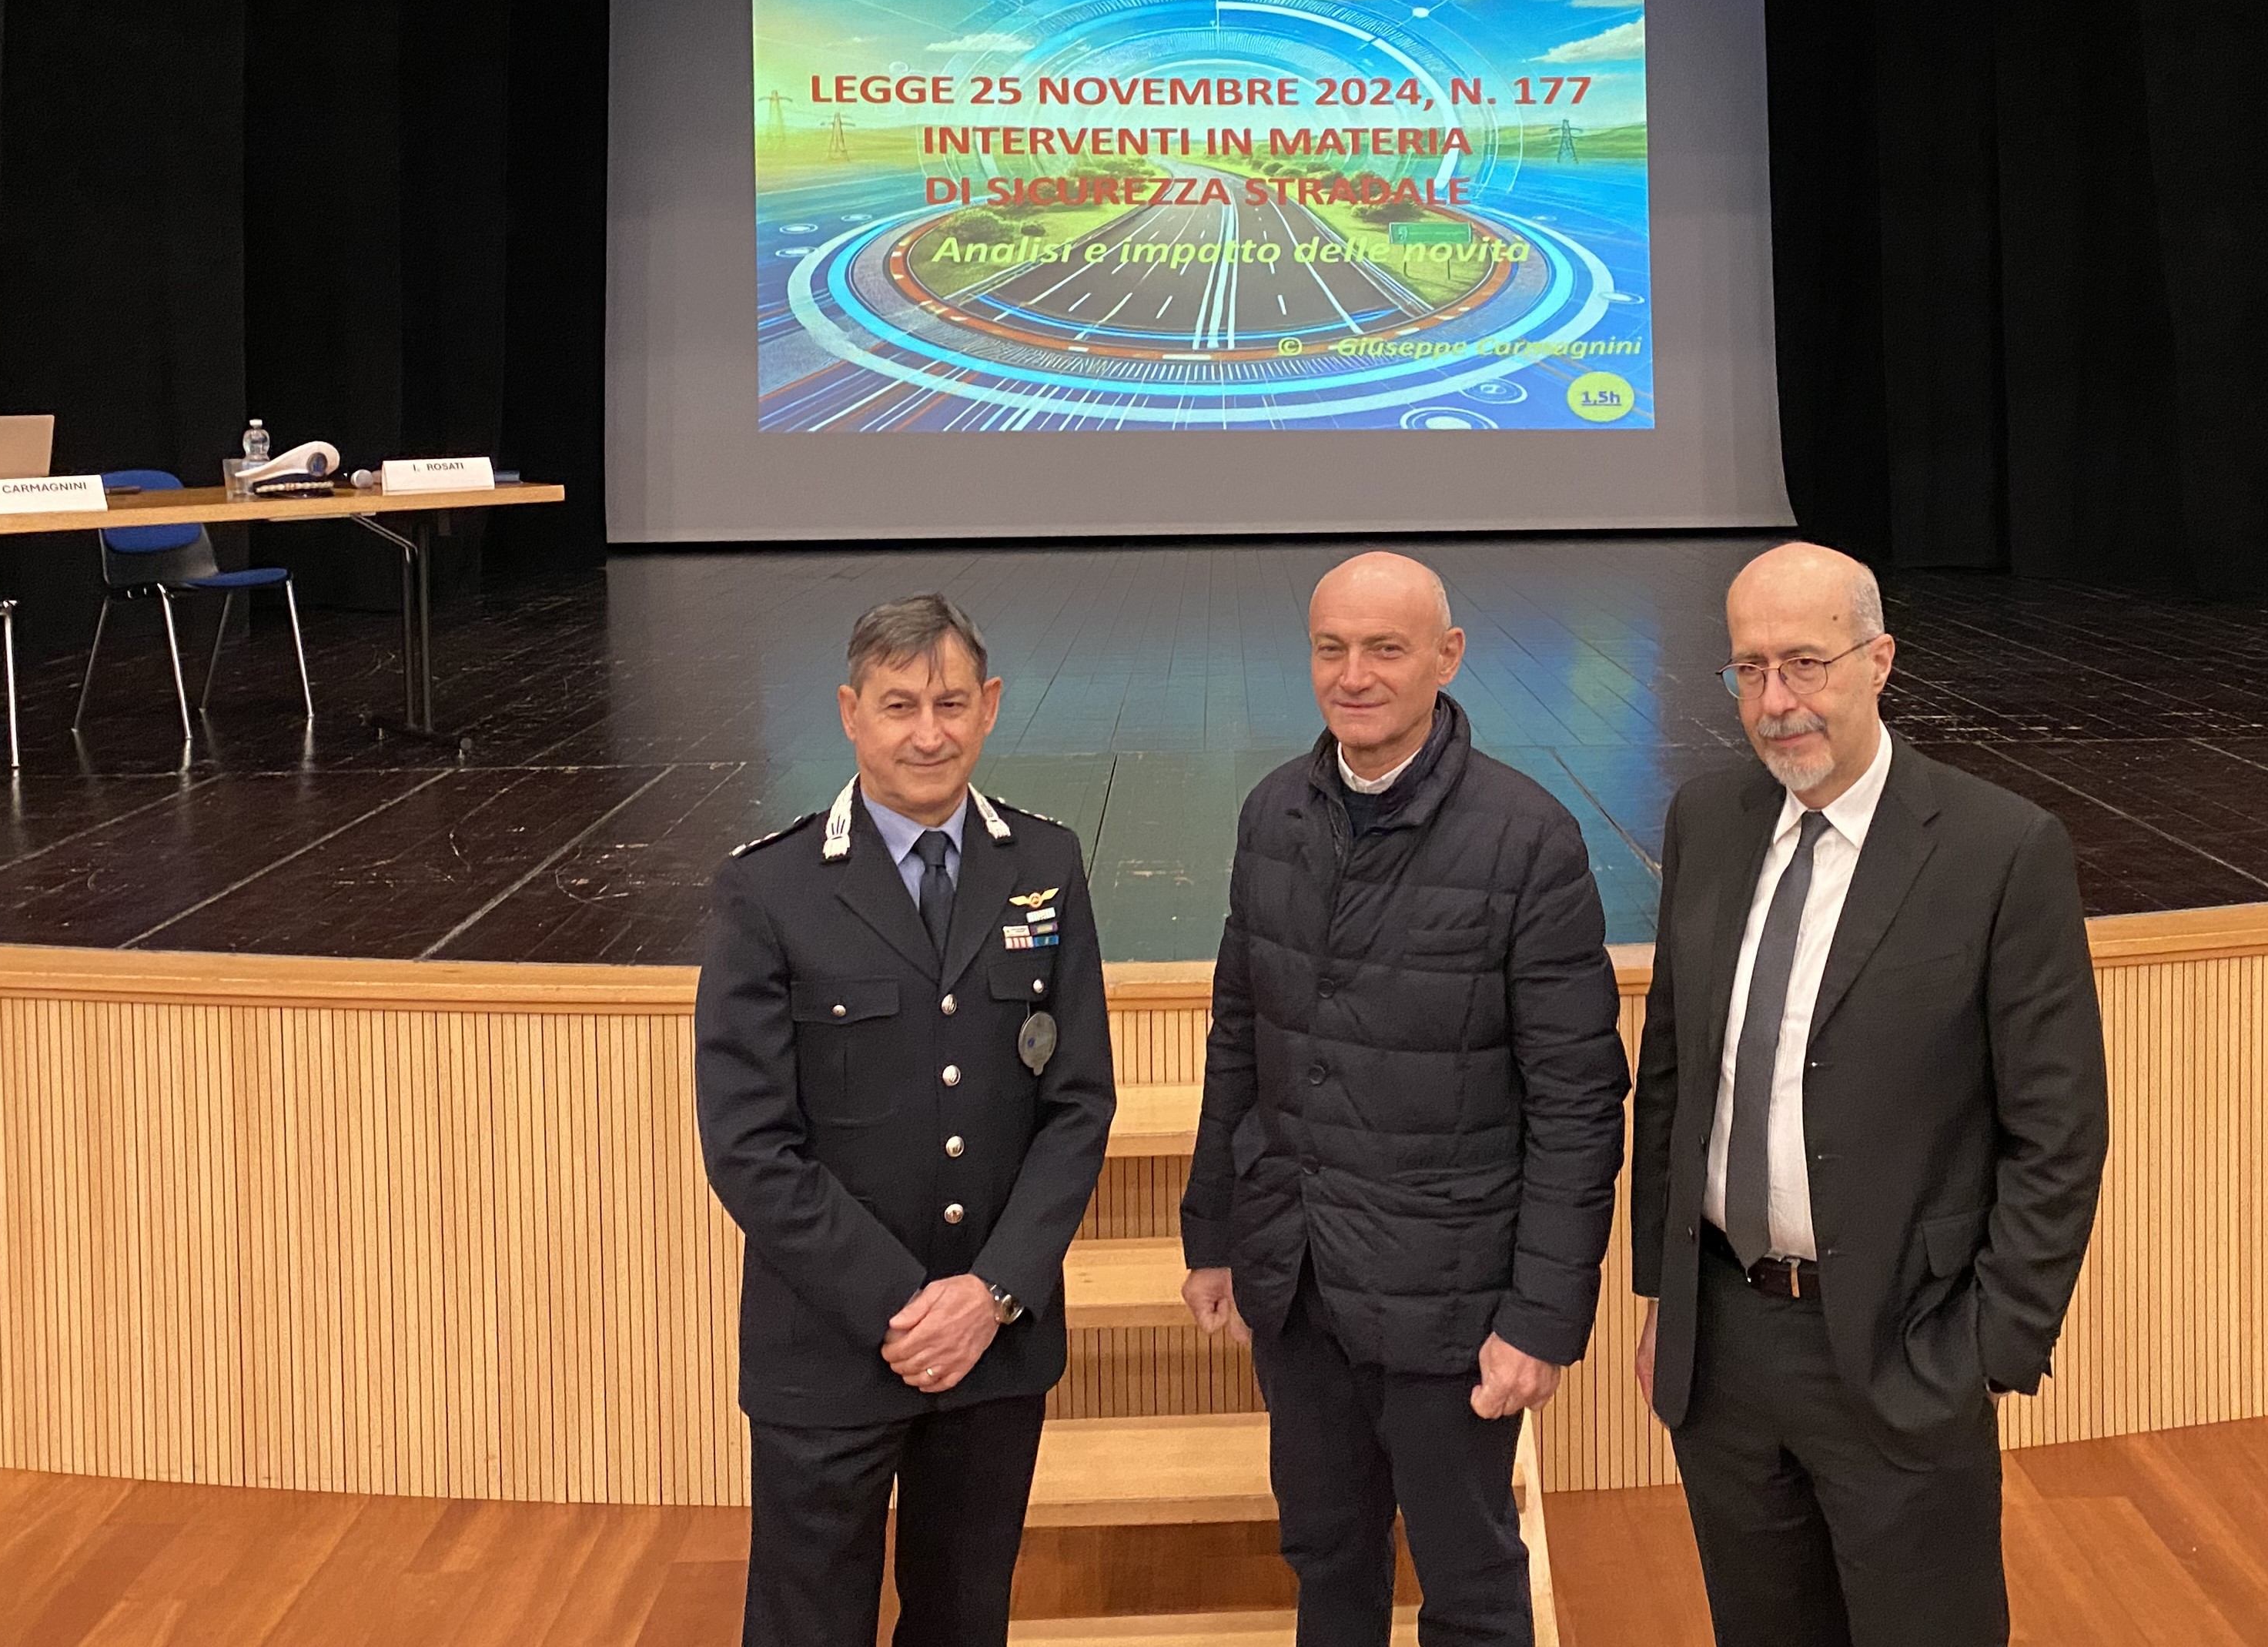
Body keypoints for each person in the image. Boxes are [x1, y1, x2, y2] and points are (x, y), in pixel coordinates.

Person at [1628, 542, 2108, 1646]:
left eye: (1805, 663)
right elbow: (1674, 1073)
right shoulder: (1706, 820)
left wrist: (1984, 1347)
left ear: (1881, 660)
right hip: (1726, 1351)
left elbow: (2060, 1130)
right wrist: (1668, 1292)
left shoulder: (2000, 849)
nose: (1776, 702)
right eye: (1748, 670)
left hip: (1904, 1351)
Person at [1179, 551, 1631, 1647]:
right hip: (1300, 1281)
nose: (1355, 674)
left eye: (1386, 648)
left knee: (1470, 1590)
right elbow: (1240, 1034)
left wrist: (1541, 1319)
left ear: (1447, 656)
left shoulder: (1529, 839)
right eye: (1332, 648)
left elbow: (1579, 1102)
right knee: (1327, 1560)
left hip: (1451, 1299)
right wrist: (1214, 1234)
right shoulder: (1271, 812)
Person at [694, 593, 1116, 1647]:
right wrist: (903, 1306)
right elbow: (750, 1147)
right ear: (849, 713)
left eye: (951, 702)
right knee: (809, 1624)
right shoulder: (770, 888)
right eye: (898, 706)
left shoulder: (1046, 867)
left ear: (991, 707)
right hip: (831, 1347)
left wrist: (991, 1295)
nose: (928, 732)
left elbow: (1077, 1106)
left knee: (966, 1619)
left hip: (994, 1350)